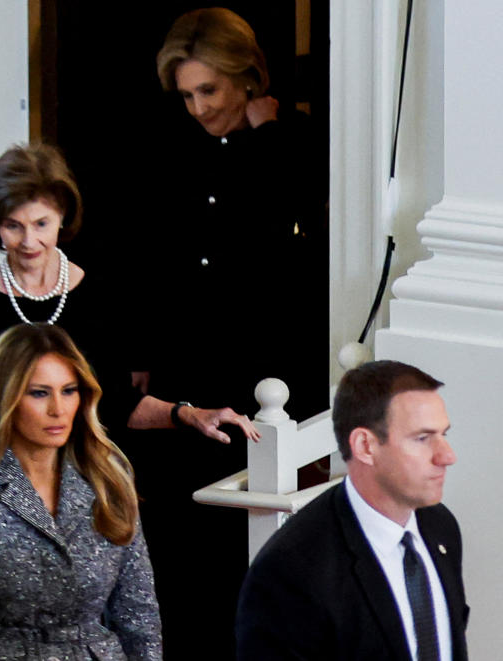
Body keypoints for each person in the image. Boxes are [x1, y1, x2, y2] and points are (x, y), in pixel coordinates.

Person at [123, 9, 331, 656]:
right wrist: (140, 352)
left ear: (246, 78)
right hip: (188, 360)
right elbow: (150, 256)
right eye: (187, 94)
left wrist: (267, 136)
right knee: (186, 534)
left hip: (266, 360)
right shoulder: (172, 148)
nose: (197, 107)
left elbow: (299, 226)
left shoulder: (291, 141)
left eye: (208, 91)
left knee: (257, 538)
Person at [0, 142, 259, 443]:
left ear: (62, 215)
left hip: (88, 472)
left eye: (41, 224)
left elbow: (120, 404)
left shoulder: (99, 295)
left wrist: (188, 414)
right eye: (13, 226)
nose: (29, 241)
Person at [0, 323, 163, 660]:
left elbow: (140, 618)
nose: (58, 410)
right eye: (39, 393)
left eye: (69, 390)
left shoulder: (109, 480)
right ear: (6, 397)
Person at [236, 360, 470, 661]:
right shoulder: (290, 573)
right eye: (422, 438)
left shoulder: (440, 526)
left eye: (444, 435)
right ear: (365, 446)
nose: (447, 456)